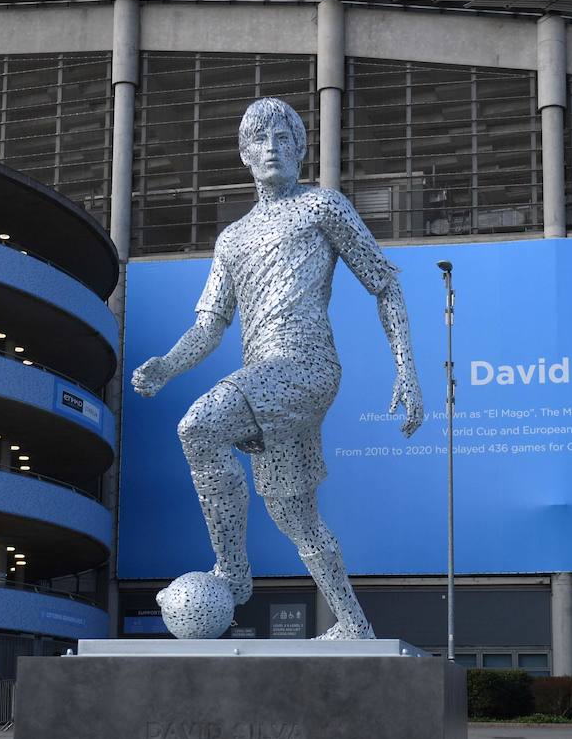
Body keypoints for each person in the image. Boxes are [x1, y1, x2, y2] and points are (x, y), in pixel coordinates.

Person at [131, 97, 423, 640]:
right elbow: (211, 325)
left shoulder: (322, 207)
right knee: (297, 518)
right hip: (262, 384)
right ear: (244, 155)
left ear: (300, 150)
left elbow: (385, 282)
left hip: (306, 367)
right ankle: (354, 624)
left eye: (283, 139)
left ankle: (234, 574)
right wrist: (167, 366)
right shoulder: (232, 239)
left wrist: (406, 370)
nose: (272, 149)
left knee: (198, 425)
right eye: (260, 141)